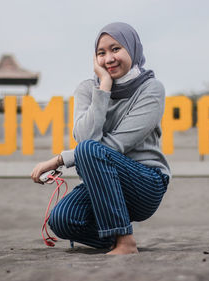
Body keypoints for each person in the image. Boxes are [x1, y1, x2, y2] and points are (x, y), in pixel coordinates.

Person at [31, 22, 170, 255]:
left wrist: (58, 160)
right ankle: (113, 239)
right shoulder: (89, 89)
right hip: (103, 184)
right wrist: (103, 87)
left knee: (89, 150)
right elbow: (85, 138)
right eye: (101, 53)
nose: (109, 59)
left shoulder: (151, 89)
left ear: (132, 49)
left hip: (146, 183)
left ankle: (125, 242)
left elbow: (115, 146)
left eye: (116, 49)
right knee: (62, 220)